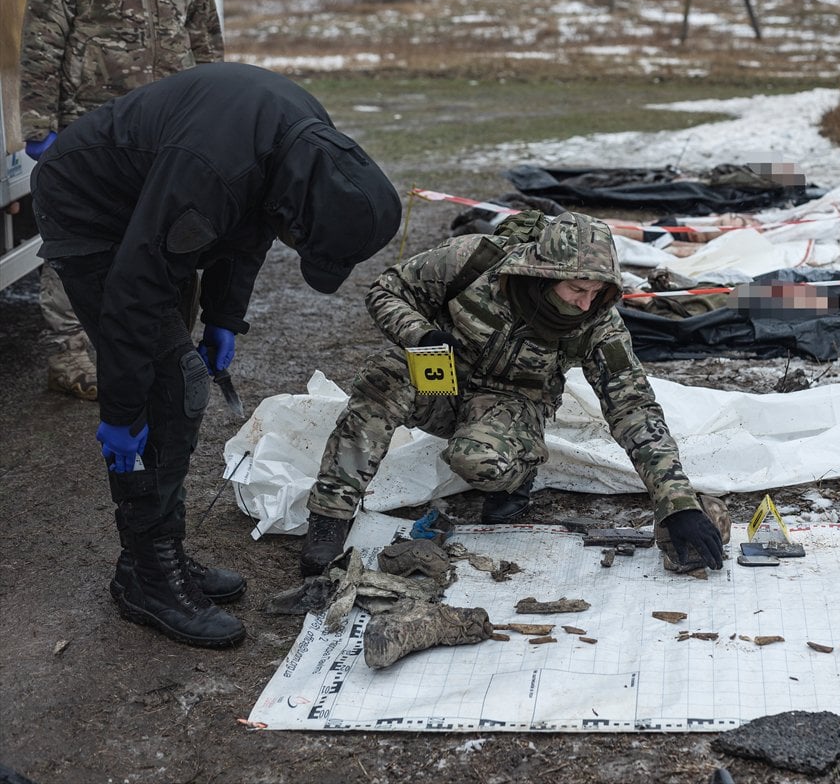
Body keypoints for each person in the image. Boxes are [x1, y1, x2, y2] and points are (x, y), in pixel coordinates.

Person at [31, 62, 403, 648]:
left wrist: (225, 316)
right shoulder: (213, 170)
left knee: (169, 374)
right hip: (91, 206)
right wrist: (121, 414)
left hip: (151, 197)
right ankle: (149, 576)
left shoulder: (308, 150)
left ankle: (152, 554)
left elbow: (253, 224)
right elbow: (134, 291)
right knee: (171, 384)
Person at [299, 210, 725, 578]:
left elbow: (633, 408)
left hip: (511, 404)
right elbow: (386, 289)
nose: (585, 303)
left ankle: (516, 477)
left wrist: (677, 503)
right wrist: (420, 334)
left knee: (477, 460)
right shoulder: (475, 260)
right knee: (385, 378)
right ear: (544, 274)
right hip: (442, 377)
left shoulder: (599, 324)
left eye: (597, 293)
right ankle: (330, 516)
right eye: (577, 290)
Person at [21, 0, 224, 401]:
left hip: (171, 125)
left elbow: (204, 36)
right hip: (93, 123)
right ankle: (70, 351)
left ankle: (163, 343)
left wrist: (215, 112)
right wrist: (39, 125)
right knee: (80, 239)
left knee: (168, 234)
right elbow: (42, 34)